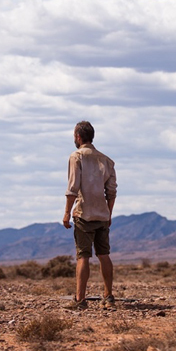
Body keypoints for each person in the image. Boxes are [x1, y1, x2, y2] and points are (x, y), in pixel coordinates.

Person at [63, 121, 117, 310]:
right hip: (102, 215)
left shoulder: (76, 157)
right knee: (104, 255)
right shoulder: (107, 160)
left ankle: (80, 299)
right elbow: (111, 192)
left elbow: (72, 188)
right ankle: (108, 296)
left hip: (84, 214)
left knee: (83, 256)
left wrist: (67, 212)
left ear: (78, 137)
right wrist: (108, 214)